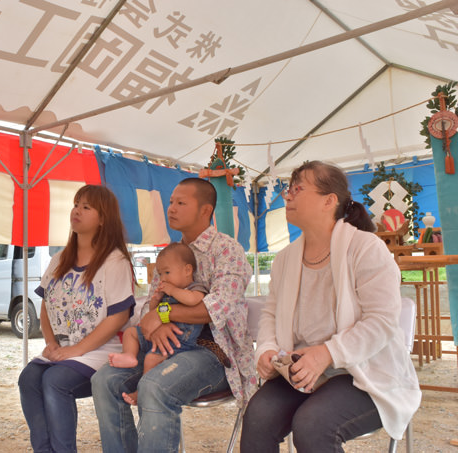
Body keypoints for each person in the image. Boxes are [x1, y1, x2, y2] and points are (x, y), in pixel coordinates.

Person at [240, 161, 421, 452]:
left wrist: (327, 353)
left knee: (313, 424)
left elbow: (383, 321)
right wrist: (267, 349)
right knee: (258, 417)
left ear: (329, 200)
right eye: (289, 189)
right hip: (301, 371)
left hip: (363, 373)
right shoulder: (284, 259)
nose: (288, 196)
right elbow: (270, 315)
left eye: (298, 189)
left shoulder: (366, 248)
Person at [92, 177, 257, 453]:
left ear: (205, 211)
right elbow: (148, 311)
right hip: (164, 346)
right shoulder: (170, 253)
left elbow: (213, 308)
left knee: (155, 386)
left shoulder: (228, 250)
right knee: (104, 381)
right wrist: (156, 324)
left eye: (181, 202)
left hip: (213, 353)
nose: (171, 208)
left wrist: (164, 315)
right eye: (171, 202)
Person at [18, 184, 135, 453]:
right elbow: (46, 306)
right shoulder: (59, 259)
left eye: (86, 207)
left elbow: (118, 317)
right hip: (65, 351)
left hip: (102, 350)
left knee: (54, 381)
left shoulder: (115, 261)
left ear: (103, 218)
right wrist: (52, 344)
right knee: (28, 379)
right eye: (76, 203)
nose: (77, 210)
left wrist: (75, 350)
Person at [108, 242, 207, 405]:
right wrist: (156, 300)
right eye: (160, 274)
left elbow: (193, 300)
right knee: (130, 333)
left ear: (188, 270)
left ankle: (141, 391)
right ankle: (129, 356)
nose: (163, 279)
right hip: (157, 334)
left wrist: (172, 292)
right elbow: (152, 312)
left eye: (167, 272)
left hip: (178, 341)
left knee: (150, 360)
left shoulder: (195, 288)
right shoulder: (166, 290)